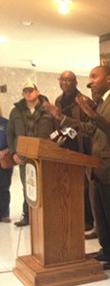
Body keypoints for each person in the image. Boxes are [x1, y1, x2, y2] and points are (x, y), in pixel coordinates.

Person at [46, 66, 110, 270]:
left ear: (109, 79)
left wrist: (91, 113)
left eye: (95, 77)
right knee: (101, 214)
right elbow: (91, 130)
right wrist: (62, 118)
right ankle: (108, 250)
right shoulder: (103, 102)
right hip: (95, 166)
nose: (91, 81)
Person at [7, 82, 56, 227]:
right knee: (28, 186)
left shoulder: (47, 109)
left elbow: (56, 130)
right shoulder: (15, 111)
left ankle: (47, 215)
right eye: (25, 91)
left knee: (46, 185)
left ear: (37, 92)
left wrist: (53, 149)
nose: (28, 93)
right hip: (24, 156)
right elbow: (10, 133)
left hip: (44, 154)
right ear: (22, 94)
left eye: (31, 90)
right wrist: (13, 152)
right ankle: (27, 215)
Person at [54, 70, 95, 233]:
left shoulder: (85, 101)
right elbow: (57, 123)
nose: (64, 82)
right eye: (62, 79)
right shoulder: (58, 100)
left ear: (75, 83)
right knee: (66, 185)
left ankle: (87, 220)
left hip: (82, 147)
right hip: (63, 148)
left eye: (68, 80)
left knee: (83, 187)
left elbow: (87, 128)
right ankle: (70, 215)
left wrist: (70, 132)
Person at [0, 107, 13, 223]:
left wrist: (6, 151)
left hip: (4, 159)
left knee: (4, 187)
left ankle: (4, 214)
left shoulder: (6, 123)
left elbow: (13, 141)